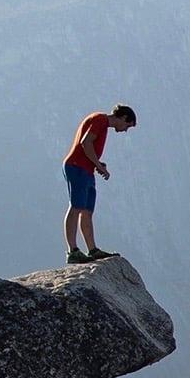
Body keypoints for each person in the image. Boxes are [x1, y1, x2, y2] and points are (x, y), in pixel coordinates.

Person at [61, 103, 137, 263]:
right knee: (76, 206)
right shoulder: (100, 120)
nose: (125, 130)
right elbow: (86, 142)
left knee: (87, 210)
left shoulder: (103, 125)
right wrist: (97, 165)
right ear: (123, 118)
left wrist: (97, 164)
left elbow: (89, 148)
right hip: (77, 166)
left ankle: (92, 249)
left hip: (86, 170)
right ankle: (72, 250)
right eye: (127, 126)